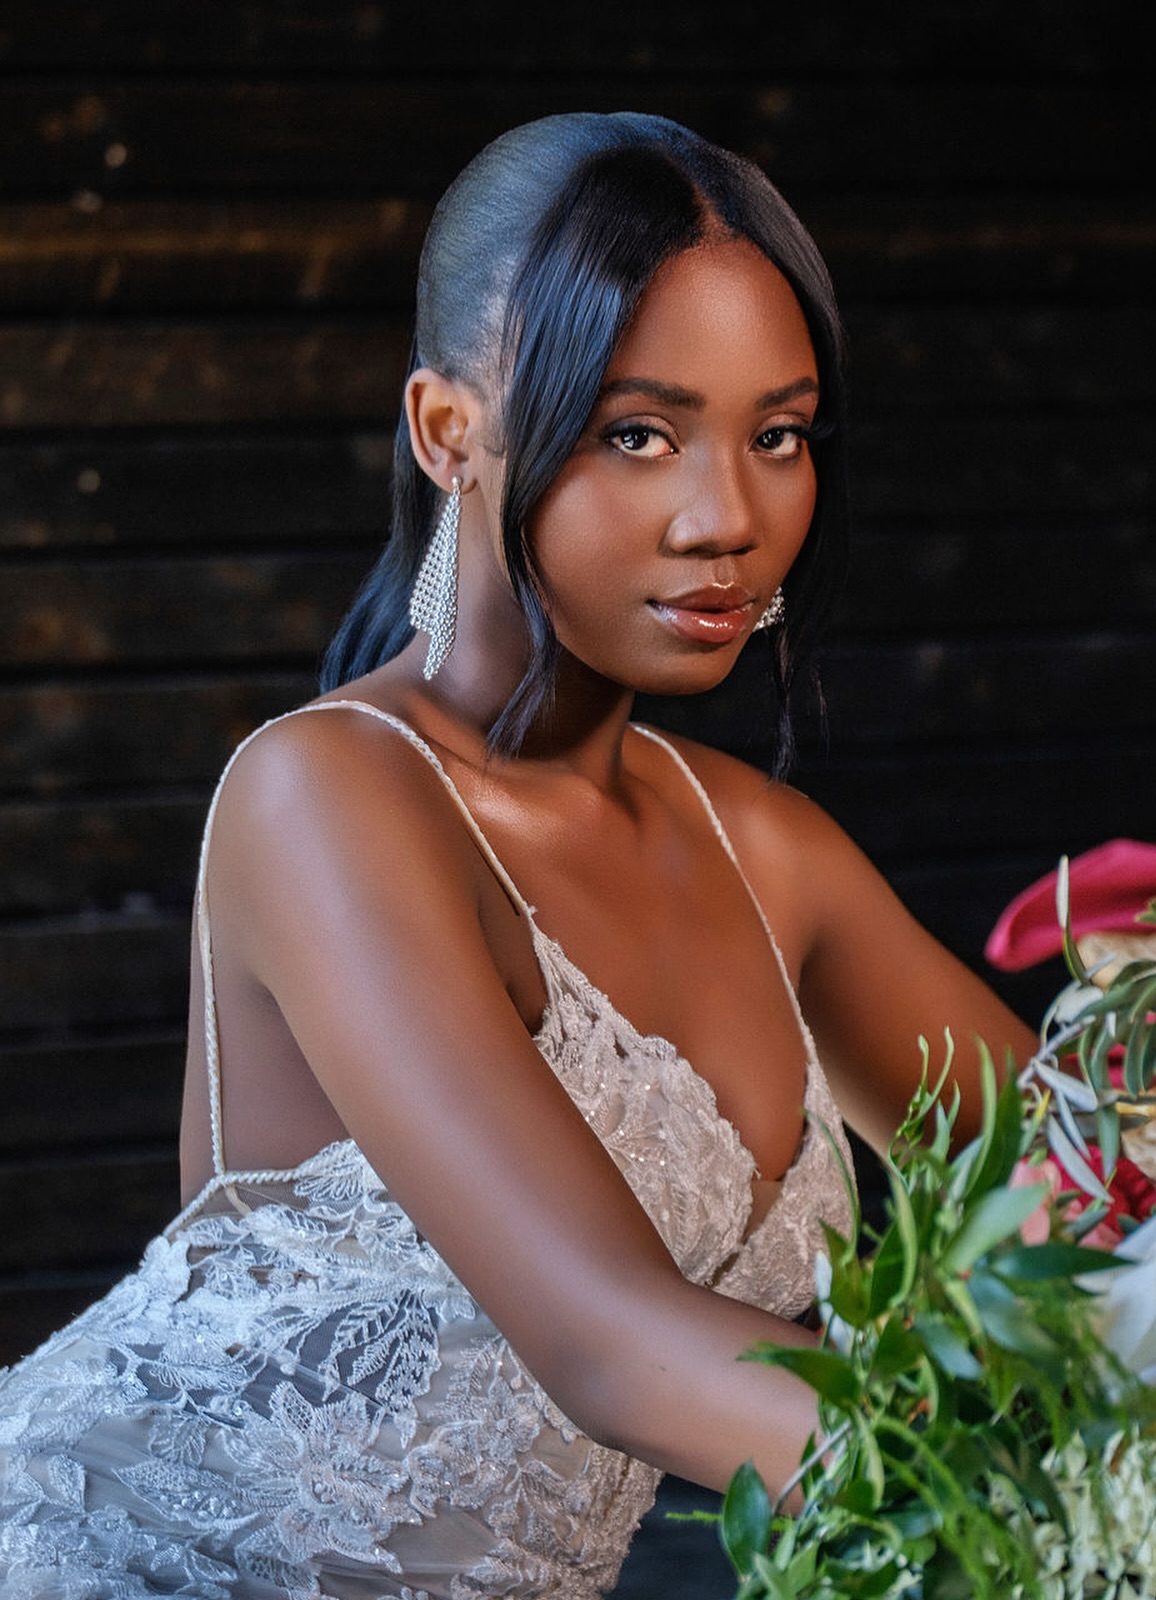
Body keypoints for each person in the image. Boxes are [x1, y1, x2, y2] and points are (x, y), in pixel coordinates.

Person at [0, 112, 1037, 1597]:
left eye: (779, 434)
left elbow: (1103, 1196)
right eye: (638, 433)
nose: (726, 517)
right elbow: (610, 1340)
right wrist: (1073, 1478)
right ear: (449, 433)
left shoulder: (770, 857)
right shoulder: (328, 798)